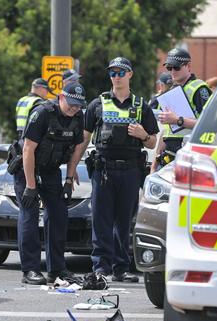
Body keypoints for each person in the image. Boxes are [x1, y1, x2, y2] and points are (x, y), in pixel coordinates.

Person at [72, 57, 159, 284]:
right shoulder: (97, 104)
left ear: (130, 74)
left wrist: (144, 135)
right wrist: (71, 170)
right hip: (103, 170)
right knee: (101, 221)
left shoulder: (141, 106)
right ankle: (101, 267)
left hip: (130, 171)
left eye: (121, 72)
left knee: (124, 222)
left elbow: (153, 143)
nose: (116, 77)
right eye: (113, 73)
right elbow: (83, 139)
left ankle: (122, 268)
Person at [14, 82, 87, 285]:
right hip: (26, 169)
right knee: (29, 215)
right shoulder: (43, 113)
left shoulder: (78, 117)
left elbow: (76, 149)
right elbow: (28, 149)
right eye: (71, 104)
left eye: (78, 105)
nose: (74, 109)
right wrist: (30, 185)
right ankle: (30, 270)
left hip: (51, 170)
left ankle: (57, 269)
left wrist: (69, 179)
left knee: (58, 215)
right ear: (61, 97)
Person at [156, 48, 212, 154]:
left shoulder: (199, 88)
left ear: (188, 66)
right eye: (169, 68)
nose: (172, 71)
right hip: (167, 154)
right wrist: (154, 164)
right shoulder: (171, 91)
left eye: (176, 67)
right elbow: (166, 132)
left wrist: (178, 120)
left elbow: (207, 124)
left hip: (188, 151)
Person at [148, 72, 174, 171]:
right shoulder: (156, 99)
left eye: (169, 85)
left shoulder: (173, 97)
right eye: (166, 85)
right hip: (159, 136)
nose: (168, 87)